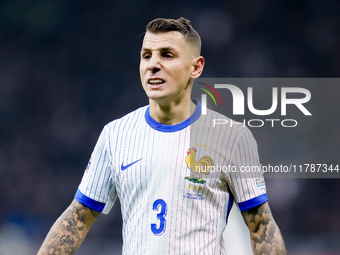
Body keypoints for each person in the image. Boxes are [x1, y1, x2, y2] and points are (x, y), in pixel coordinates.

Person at [38, 17, 287, 255]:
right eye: (147, 55)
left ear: (196, 67)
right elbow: (79, 217)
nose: (153, 64)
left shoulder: (232, 137)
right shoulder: (115, 134)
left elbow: (261, 226)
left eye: (167, 55)